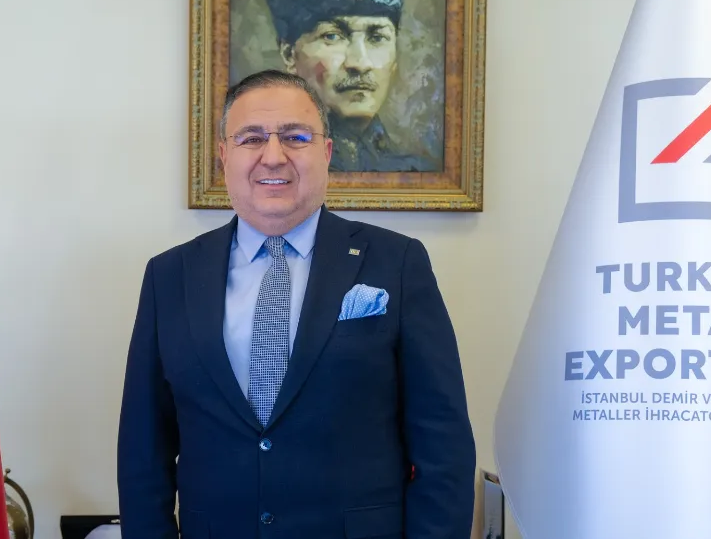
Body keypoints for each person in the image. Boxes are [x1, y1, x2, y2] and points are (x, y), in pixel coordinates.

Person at [117, 69, 475, 538]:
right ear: (224, 156)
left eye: (296, 137)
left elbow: (443, 444)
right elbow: (144, 452)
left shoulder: (398, 263)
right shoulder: (169, 276)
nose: (273, 156)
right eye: (251, 138)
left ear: (326, 153)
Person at [259, 0, 441, 173]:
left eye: (377, 37)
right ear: (289, 54)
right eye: (332, 36)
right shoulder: (270, 168)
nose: (360, 63)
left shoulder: (418, 174)